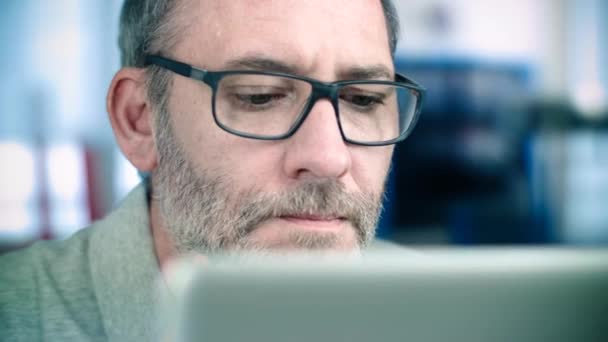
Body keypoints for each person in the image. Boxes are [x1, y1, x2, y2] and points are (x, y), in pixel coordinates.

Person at [0, 0, 424, 340]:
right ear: (140, 119)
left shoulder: (455, 316)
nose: (330, 159)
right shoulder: (16, 318)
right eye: (260, 96)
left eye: (364, 99)